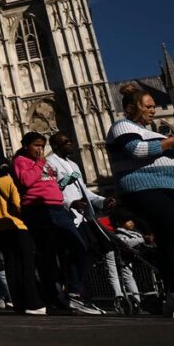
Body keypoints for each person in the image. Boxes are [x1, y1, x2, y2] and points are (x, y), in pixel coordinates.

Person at [106, 83, 174, 318]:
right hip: (144, 189)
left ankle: (170, 298)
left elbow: (170, 167)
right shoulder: (121, 126)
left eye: (155, 106)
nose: (153, 110)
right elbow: (137, 151)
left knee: (171, 241)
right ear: (131, 108)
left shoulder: (155, 132)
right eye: (148, 106)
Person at [13, 132, 101, 315]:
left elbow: (52, 184)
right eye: (36, 145)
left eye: (42, 146)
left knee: (78, 246)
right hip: (38, 210)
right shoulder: (21, 161)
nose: (40, 150)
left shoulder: (47, 163)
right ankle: (54, 299)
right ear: (26, 146)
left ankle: (74, 292)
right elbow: (26, 180)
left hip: (58, 209)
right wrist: (39, 163)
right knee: (48, 256)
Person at [45, 132, 123, 308]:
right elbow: (51, 191)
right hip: (67, 216)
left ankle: (78, 292)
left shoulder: (73, 164)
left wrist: (102, 201)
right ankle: (74, 292)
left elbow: (85, 192)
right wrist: (69, 202)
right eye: (65, 141)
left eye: (70, 140)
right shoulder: (50, 163)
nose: (70, 143)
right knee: (77, 252)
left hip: (83, 217)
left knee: (92, 252)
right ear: (55, 146)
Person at [0, 155, 45, 315]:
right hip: (17, 227)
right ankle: (32, 303)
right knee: (26, 265)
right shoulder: (11, 182)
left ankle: (18, 303)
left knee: (11, 267)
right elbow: (18, 205)